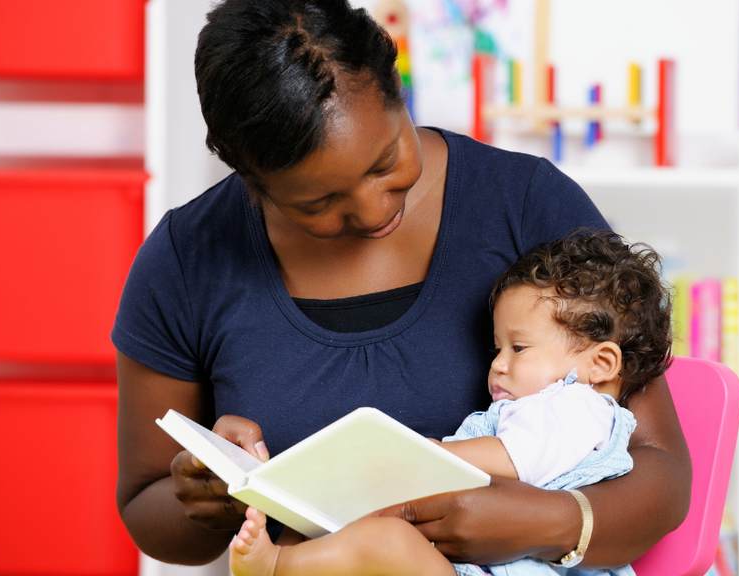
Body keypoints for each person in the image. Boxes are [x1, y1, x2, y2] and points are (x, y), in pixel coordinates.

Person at [112, 0, 691, 569]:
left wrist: (543, 523)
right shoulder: (186, 261)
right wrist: (210, 499)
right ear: (250, 179)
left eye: (384, 161)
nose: (370, 211)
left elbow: (661, 468)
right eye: (319, 202)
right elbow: (145, 504)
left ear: (397, 88)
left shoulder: (524, 204)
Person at [227, 231, 673, 576]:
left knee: (387, 543)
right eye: (496, 349)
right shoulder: (545, 405)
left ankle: (275, 567)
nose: (497, 366)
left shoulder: (578, 408)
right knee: (333, 530)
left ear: (602, 362)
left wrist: (427, 454)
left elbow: (516, 459)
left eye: (518, 349)